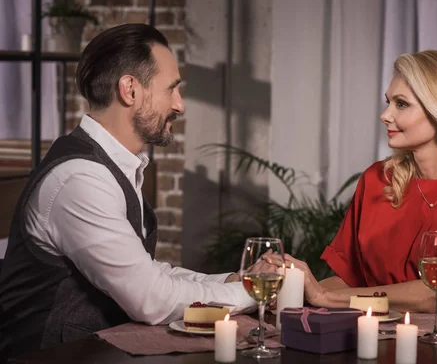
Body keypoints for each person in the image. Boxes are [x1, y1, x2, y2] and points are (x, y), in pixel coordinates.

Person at [0, 24, 258, 358]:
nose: (179, 105)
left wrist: (231, 281)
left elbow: (146, 272)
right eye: (171, 89)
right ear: (130, 90)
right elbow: (150, 299)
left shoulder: (111, 165)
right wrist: (254, 293)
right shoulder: (80, 179)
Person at [267, 50, 437, 317]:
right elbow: (347, 281)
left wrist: (323, 296)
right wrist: (292, 292)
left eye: (401, 104)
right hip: (366, 335)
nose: (385, 115)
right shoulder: (376, 179)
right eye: (388, 102)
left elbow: (433, 296)